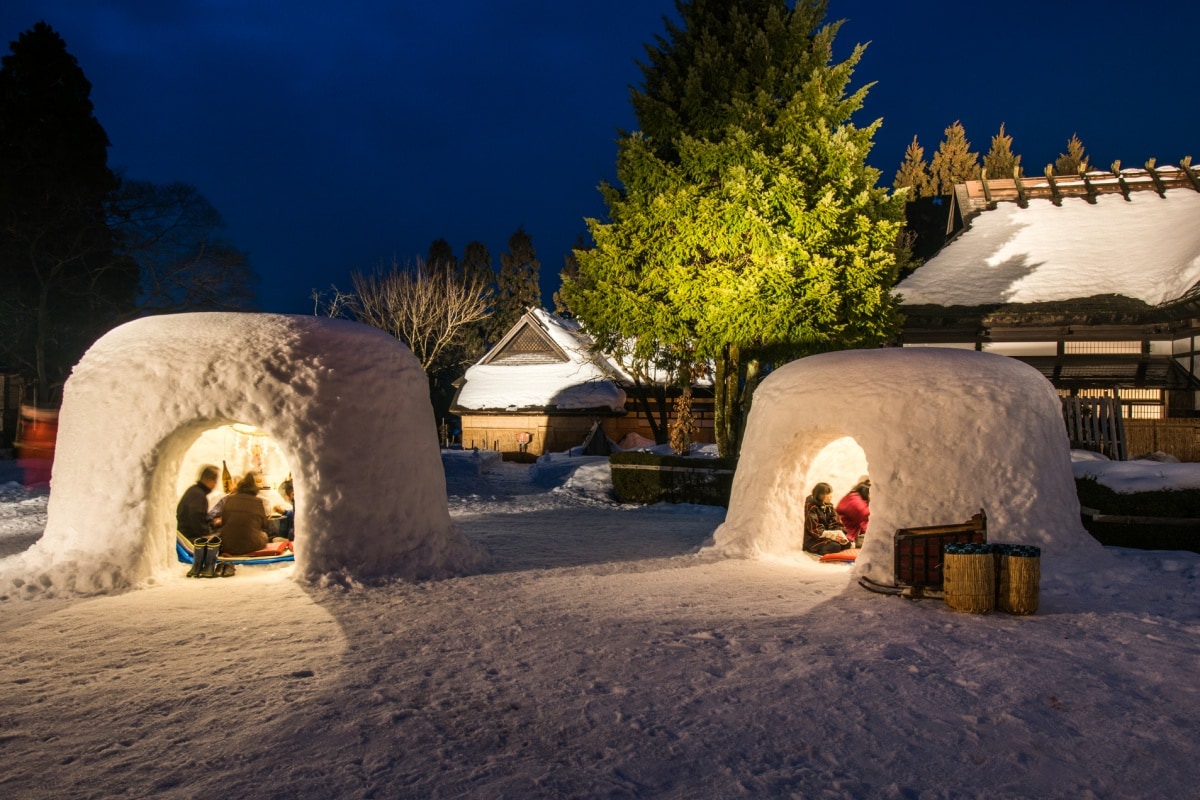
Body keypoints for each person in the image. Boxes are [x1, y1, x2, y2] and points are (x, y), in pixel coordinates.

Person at [218, 471, 271, 555]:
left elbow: (224, 521)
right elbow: (264, 525)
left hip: (227, 545)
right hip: (251, 545)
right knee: (264, 535)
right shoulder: (258, 501)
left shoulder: (230, 499)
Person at [803, 481, 851, 555]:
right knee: (835, 546)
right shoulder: (811, 507)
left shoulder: (828, 506)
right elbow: (815, 530)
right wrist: (832, 535)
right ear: (820, 495)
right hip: (814, 539)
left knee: (846, 544)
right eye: (828, 493)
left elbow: (836, 522)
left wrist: (838, 535)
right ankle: (814, 551)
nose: (830, 496)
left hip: (827, 536)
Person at [176, 465, 219, 542]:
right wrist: (206, 535)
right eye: (215, 481)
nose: (215, 485)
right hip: (189, 538)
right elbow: (196, 520)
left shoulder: (194, 491)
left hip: (185, 535)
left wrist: (213, 523)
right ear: (209, 480)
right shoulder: (198, 495)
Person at [836, 477, 871, 548]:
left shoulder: (853, 497)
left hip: (847, 533)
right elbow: (866, 517)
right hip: (844, 535)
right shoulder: (855, 501)